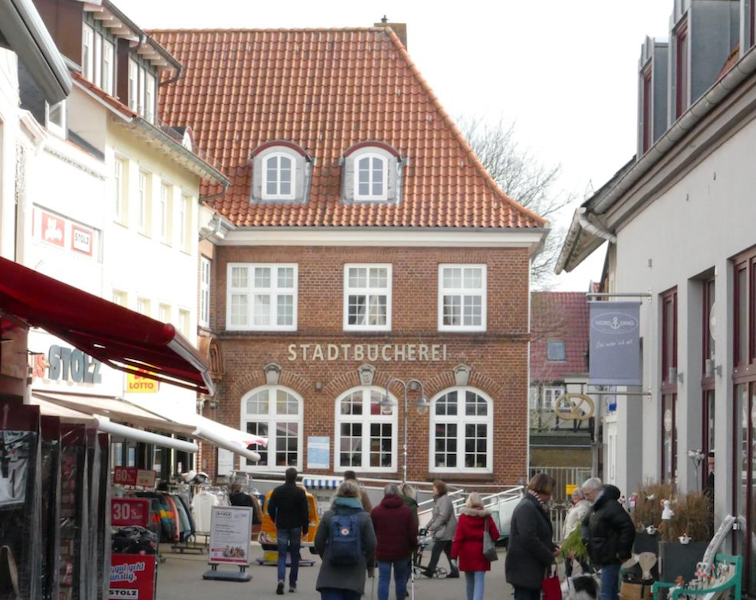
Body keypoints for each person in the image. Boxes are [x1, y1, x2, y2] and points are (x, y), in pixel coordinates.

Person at [314, 480, 377, 600]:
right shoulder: (364, 518)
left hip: (329, 576)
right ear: (358, 495)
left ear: (337, 494)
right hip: (354, 576)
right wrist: (362, 558)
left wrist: (327, 555)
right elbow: (372, 544)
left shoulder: (328, 516)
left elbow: (318, 542)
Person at [505, 473, 559, 600]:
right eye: (551, 490)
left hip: (530, 569)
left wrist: (552, 547)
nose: (551, 495)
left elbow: (538, 535)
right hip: (525, 569)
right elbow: (529, 538)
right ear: (544, 489)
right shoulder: (527, 507)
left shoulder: (534, 506)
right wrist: (549, 556)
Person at [580, 478, 635, 600]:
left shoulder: (611, 506)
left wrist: (622, 552)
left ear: (597, 491)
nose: (585, 498)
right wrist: (586, 539)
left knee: (606, 592)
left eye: (587, 494)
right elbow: (584, 524)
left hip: (610, 556)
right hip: (602, 555)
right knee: (611, 590)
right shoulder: (595, 507)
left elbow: (628, 527)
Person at [371, 484, 418, 600]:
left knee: (383, 578)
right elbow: (412, 532)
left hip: (382, 551)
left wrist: (373, 549)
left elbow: (372, 532)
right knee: (400, 578)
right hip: (402, 551)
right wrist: (413, 547)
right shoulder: (406, 511)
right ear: (397, 493)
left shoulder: (376, 511)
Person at [268, 467, 310, 595]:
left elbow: (270, 508)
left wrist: (275, 520)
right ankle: (292, 584)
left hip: (282, 525)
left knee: (281, 554)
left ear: (285, 476)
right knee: (294, 555)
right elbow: (305, 512)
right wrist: (305, 528)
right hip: (296, 526)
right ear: (296, 477)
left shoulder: (278, 491)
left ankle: (281, 579)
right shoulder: (300, 492)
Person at [451, 492, 500, 600]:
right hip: (481, 552)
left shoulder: (463, 517)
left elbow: (458, 538)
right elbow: (496, 535)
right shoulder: (486, 517)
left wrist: (453, 556)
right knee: (479, 581)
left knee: (469, 582)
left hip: (466, 553)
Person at [422, 479, 459, 578]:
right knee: (449, 551)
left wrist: (433, 527)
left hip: (445, 529)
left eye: (434, 488)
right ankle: (454, 570)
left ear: (439, 489)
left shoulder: (444, 500)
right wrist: (427, 526)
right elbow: (436, 516)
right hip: (445, 528)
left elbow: (443, 516)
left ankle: (430, 570)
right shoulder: (440, 500)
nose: (432, 490)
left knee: (436, 549)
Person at [562, 488, 591, 576]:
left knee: (577, 557)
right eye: (573, 495)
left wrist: (573, 536)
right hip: (568, 537)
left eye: (576, 495)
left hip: (574, 538)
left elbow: (582, 523)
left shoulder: (583, 507)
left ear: (581, 496)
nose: (574, 497)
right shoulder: (574, 507)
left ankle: (587, 572)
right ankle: (569, 576)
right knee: (568, 558)